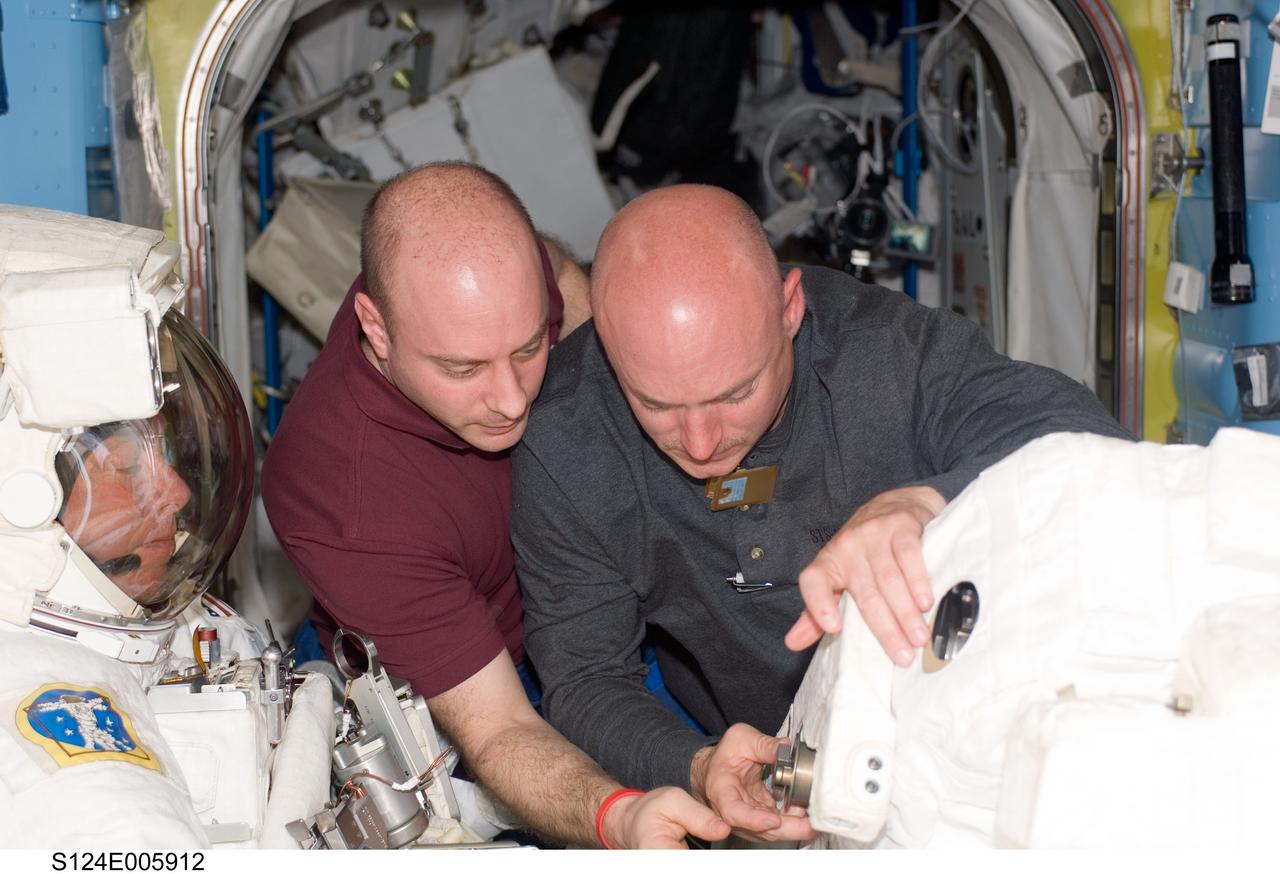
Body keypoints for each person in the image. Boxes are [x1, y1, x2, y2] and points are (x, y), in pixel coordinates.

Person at [509, 184, 1133, 841]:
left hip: (977, 731)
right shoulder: (565, 442)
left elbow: (1088, 448)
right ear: (606, 342)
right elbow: (586, 680)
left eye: (736, 391)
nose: (700, 444)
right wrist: (696, 766)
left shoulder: (883, 353)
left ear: (790, 309)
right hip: (783, 784)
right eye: (656, 404)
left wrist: (929, 500)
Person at [261, 162, 728, 849]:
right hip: (479, 675)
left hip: (580, 602)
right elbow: (500, 729)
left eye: (529, 347)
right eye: (463, 369)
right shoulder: (344, 495)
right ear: (376, 327)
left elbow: (567, 283)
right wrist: (617, 817)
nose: (512, 399)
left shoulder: (499, 288)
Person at [0, 204, 332, 848]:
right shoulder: (61, 748)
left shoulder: (181, 626)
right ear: (23, 503)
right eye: (126, 470)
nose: (177, 493)